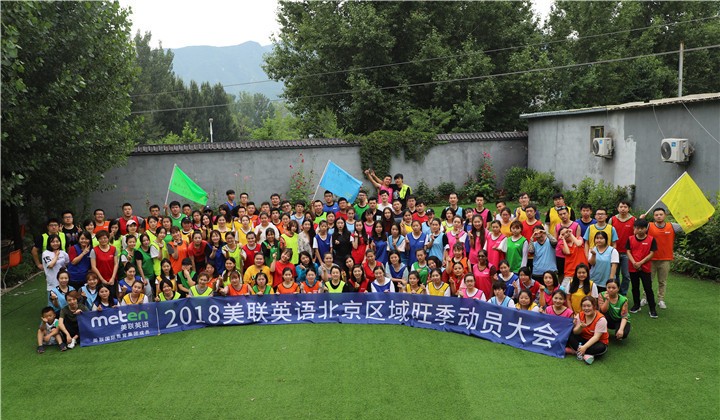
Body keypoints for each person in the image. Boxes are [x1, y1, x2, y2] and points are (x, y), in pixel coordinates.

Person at [646, 207, 681, 310]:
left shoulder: (672, 226)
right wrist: (641, 218)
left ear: (665, 215)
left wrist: (704, 219)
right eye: (656, 215)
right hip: (651, 258)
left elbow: (687, 225)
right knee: (648, 280)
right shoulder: (649, 226)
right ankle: (645, 297)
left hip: (665, 259)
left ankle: (661, 300)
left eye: (661, 214)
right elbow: (636, 226)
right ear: (653, 216)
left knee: (662, 281)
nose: (659, 216)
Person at [627, 219, 658, 318]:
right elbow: (628, 251)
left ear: (646, 228)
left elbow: (652, 253)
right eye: (638, 228)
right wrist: (634, 262)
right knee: (635, 287)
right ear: (634, 228)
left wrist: (640, 263)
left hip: (645, 267)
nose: (640, 230)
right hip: (633, 267)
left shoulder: (651, 239)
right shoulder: (630, 238)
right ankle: (637, 305)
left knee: (648, 288)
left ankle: (652, 309)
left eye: (642, 228)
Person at [566, 296, 609, 365]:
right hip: (584, 339)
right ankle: (585, 354)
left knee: (601, 348)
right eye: (584, 306)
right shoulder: (580, 315)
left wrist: (584, 347)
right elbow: (575, 332)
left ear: (594, 306)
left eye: (589, 306)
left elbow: (596, 337)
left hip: (596, 342)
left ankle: (574, 351)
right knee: (569, 334)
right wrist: (580, 327)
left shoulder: (601, 319)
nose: (586, 308)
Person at [610, 201, 635, 296]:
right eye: (621, 207)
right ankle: (615, 292)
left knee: (626, 275)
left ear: (628, 209)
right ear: (617, 208)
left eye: (625, 207)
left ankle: (623, 293)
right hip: (614, 252)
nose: (623, 209)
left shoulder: (633, 220)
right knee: (614, 275)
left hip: (627, 253)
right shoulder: (612, 219)